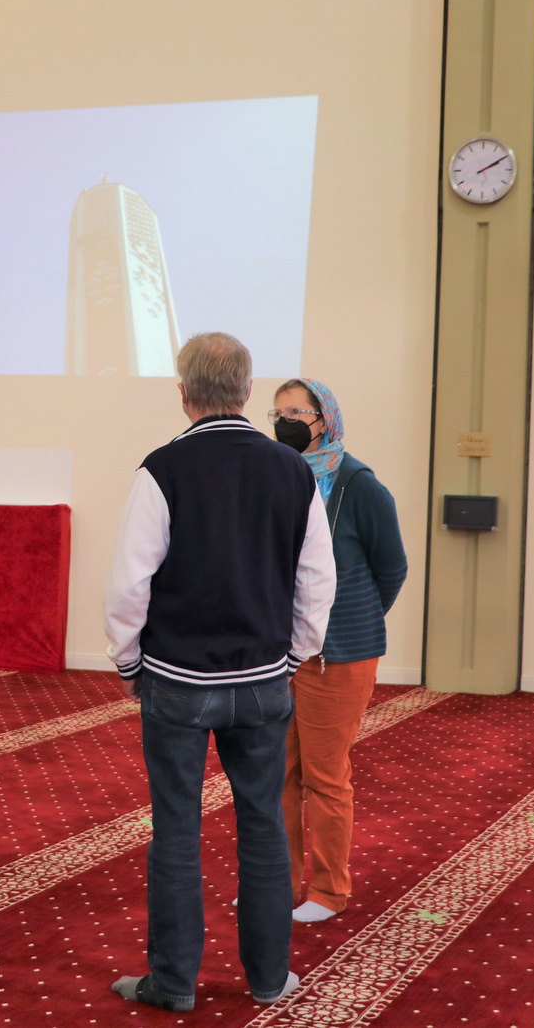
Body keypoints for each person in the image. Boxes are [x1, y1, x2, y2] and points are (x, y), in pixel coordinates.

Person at [104, 332, 337, 1012]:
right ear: (248, 392)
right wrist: (292, 657)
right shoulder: (293, 470)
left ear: (184, 394)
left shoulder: (161, 469)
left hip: (175, 681)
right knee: (263, 824)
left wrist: (127, 662)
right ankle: (268, 979)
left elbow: (127, 586)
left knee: (176, 829)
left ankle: (172, 983)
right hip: (263, 679)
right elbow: (317, 582)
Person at [269, 378, 407, 923]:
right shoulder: (278, 476)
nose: (284, 423)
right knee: (275, 775)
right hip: (281, 652)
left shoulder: (358, 485)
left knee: (324, 777)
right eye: (277, 414)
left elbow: (391, 569)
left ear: (323, 419)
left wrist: (350, 620)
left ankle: (328, 892)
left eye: (295, 413)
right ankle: (277, 888)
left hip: (338, 655)